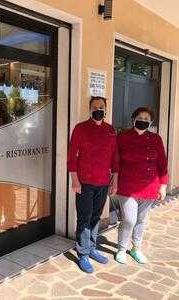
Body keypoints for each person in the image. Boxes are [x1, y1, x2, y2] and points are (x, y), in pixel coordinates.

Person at [67, 96, 118, 273]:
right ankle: (83, 254)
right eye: (95, 107)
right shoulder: (80, 129)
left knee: (96, 216)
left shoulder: (110, 130)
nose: (98, 109)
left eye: (101, 107)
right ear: (89, 109)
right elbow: (72, 156)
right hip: (85, 182)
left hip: (103, 182)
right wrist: (74, 180)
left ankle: (92, 247)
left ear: (106, 109)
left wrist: (115, 180)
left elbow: (115, 158)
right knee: (84, 217)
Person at [115, 107, 168, 264]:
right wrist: (114, 181)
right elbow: (116, 161)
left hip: (150, 185)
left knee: (141, 220)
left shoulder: (156, 139)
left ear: (150, 122)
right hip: (128, 185)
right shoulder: (122, 137)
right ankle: (121, 249)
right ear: (133, 119)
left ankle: (136, 248)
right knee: (129, 219)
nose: (143, 121)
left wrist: (163, 185)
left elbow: (162, 164)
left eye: (147, 119)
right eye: (140, 117)